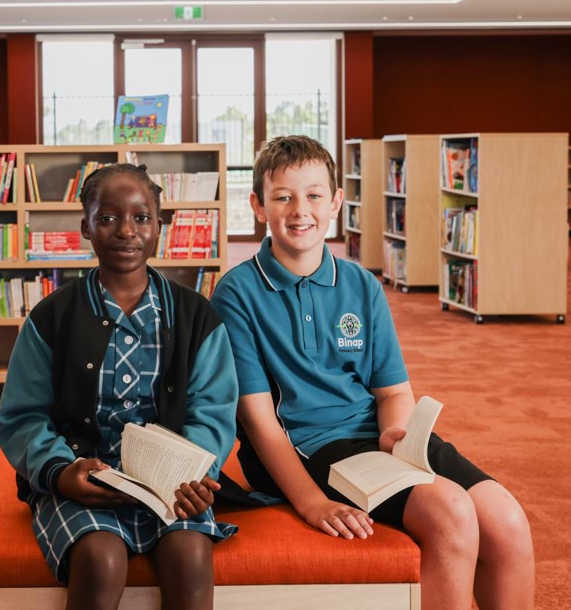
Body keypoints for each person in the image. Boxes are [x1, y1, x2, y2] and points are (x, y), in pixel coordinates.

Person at [210, 136, 535, 610]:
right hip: (309, 448)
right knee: (450, 513)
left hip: (378, 440)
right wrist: (310, 501)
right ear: (258, 205)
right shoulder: (236, 293)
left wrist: (398, 439)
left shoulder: (362, 284)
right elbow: (259, 420)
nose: (301, 209)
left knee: (507, 520)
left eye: (315, 195)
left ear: (337, 202)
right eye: (283, 196)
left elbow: (393, 391)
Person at [0, 163, 238, 610]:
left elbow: (213, 409)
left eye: (141, 218)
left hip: (173, 482)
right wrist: (60, 472)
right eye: (107, 218)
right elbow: (23, 416)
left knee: (190, 558)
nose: (126, 231)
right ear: (85, 227)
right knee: (100, 558)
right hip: (81, 476)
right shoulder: (52, 318)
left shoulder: (196, 316)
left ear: (159, 226)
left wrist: (196, 472)